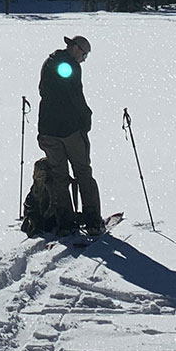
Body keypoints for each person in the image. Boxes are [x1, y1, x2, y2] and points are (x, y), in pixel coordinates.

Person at [37, 34, 103, 235]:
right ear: (75, 48)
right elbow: (75, 97)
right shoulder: (71, 67)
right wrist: (86, 118)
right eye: (84, 54)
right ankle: (92, 222)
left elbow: (43, 91)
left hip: (47, 129)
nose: (84, 59)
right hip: (69, 130)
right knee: (83, 171)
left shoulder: (49, 62)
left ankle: (65, 222)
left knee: (59, 175)